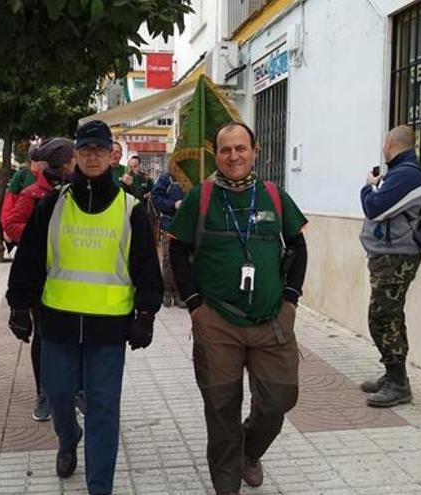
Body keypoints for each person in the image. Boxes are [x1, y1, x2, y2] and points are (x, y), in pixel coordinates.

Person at [6, 120, 162, 494]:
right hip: (57, 323)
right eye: (85, 150)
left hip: (108, 328)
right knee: (58, 395)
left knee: (104, 408)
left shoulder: (131, 210)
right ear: (75, 157)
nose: (92, 156)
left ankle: (100, 487)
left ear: (112, 156)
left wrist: (146, 314)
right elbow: (28, 258)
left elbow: (146, 266)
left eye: (100, 150)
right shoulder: (52, 206)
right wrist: (18, 305)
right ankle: (68, 436)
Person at [168, 122, 308, 495]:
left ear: (254, 151)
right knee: (221, 409)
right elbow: (177, 249)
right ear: (217, 154)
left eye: (240, 148)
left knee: (280, 399)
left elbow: (298, 245)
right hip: (217, 321)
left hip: (271, 321)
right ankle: (226, 486)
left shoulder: (274, 196)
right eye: (226, 149)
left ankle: (251, 450)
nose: (233, 156)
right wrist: (195, 305)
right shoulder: (202, 196)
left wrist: (290, 300)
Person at [3, 137, 77, 422]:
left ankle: (75, 389)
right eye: (74, 159)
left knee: (72, 336)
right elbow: (11, 224)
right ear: (64, 164)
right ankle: (43, 392)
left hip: (73, 277)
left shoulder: (78, 192)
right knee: (43, 336)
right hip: (42, 278)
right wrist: (41, 239)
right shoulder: (34, 194)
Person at [359, 125, 421, 408]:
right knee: (389, 317)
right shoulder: (400, 174)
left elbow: (375, 208)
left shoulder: (408, 174)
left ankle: (399, 383)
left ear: (390, 143)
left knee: (383, 317)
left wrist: (367, 186)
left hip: (397, 258)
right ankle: (393, 375)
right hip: (389, 256)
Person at [150, 170, 185, 307]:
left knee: (184, 259)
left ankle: (180, 292)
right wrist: (173, 205)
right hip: (170, 224)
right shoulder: (167, 178)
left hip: (187, 225)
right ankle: (167, 291)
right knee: (168, 259)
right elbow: (155, 198)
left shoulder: (193, 176)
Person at [1, 145, 44, 240]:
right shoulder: (21, 175)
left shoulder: (49, 175)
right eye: (36, 159)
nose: (39, 162)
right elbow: (9, 202)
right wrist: (7, 228)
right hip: (23, 225)